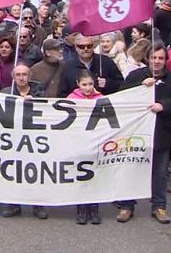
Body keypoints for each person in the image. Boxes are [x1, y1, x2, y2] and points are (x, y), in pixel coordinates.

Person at [116, 42, 171, 225]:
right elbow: (121, 98)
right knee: (131, 169)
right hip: (135, 135)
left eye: (161, 58)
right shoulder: (135, 76)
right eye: (153, 58)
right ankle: (127, 206)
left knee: (159, 173)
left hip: (161, 134)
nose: (157, 62)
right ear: (147, 58)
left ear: (166, 60)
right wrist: (141, 86)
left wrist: (164, 106)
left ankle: (159, 206)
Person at [1, 63, 48, 220]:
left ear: (30, 76)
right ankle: (13, 204)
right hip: (13, 138)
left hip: (34, 138)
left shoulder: (39, 91)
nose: (21, 78)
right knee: (13, 171)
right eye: (18, 75)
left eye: (24, 75)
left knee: (34, 171)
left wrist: (34, 101)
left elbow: (48, 109)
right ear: (13, 77)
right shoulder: (6, 92)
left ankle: (37, 204)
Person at [66, 70, 103, 225]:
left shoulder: (101, 98)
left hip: (96, 142)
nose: (87, 88)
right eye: (84, 84)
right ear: (77, 84)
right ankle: (81, 208)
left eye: (90, 84)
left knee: (95, 174)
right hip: (79, 142)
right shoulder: (71, 99)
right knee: (81, 174)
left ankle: (94, 208)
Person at [57, 34, 124, 98]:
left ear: (93, 46)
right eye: (82, 46)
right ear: (76, 47)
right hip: (78, 107)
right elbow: (62, 94)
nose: (86, 49)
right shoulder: (68, 67)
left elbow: (122, 84)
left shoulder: (106, 61)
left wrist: (108, 83)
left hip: (103, 106)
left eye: (89, 46)